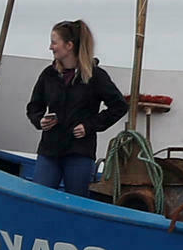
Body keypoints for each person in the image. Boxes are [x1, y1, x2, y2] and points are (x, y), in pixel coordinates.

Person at [24, 20, 129, 193]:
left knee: (76, 200)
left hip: (79, 151)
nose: (51, 47)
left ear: (69, 45)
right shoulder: (48, 74)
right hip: (50, 150)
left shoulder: (95, 76)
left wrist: (90, 125)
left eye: (54, 42)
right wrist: (40, 120)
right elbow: (34, 106)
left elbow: (119, 106)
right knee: (39, 196)